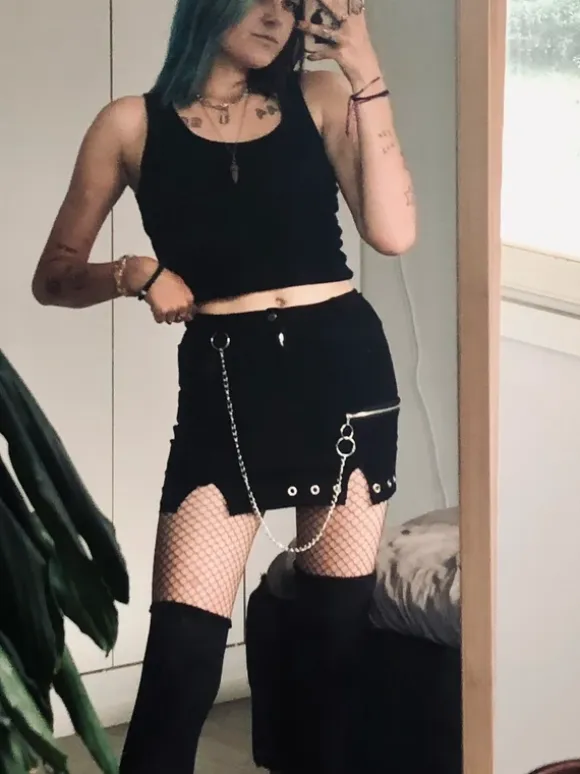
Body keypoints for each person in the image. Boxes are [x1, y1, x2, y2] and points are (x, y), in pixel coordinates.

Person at [32, 0, 416, 771]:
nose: (279, 16)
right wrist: (137, 273)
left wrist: (365, 70)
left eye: (291, 3)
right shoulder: (129, 125)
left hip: (342, 371)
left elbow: (393, 232)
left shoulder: (321, 96)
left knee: (333, 638)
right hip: (227, 383)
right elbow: (54, 277)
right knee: (183, 654)